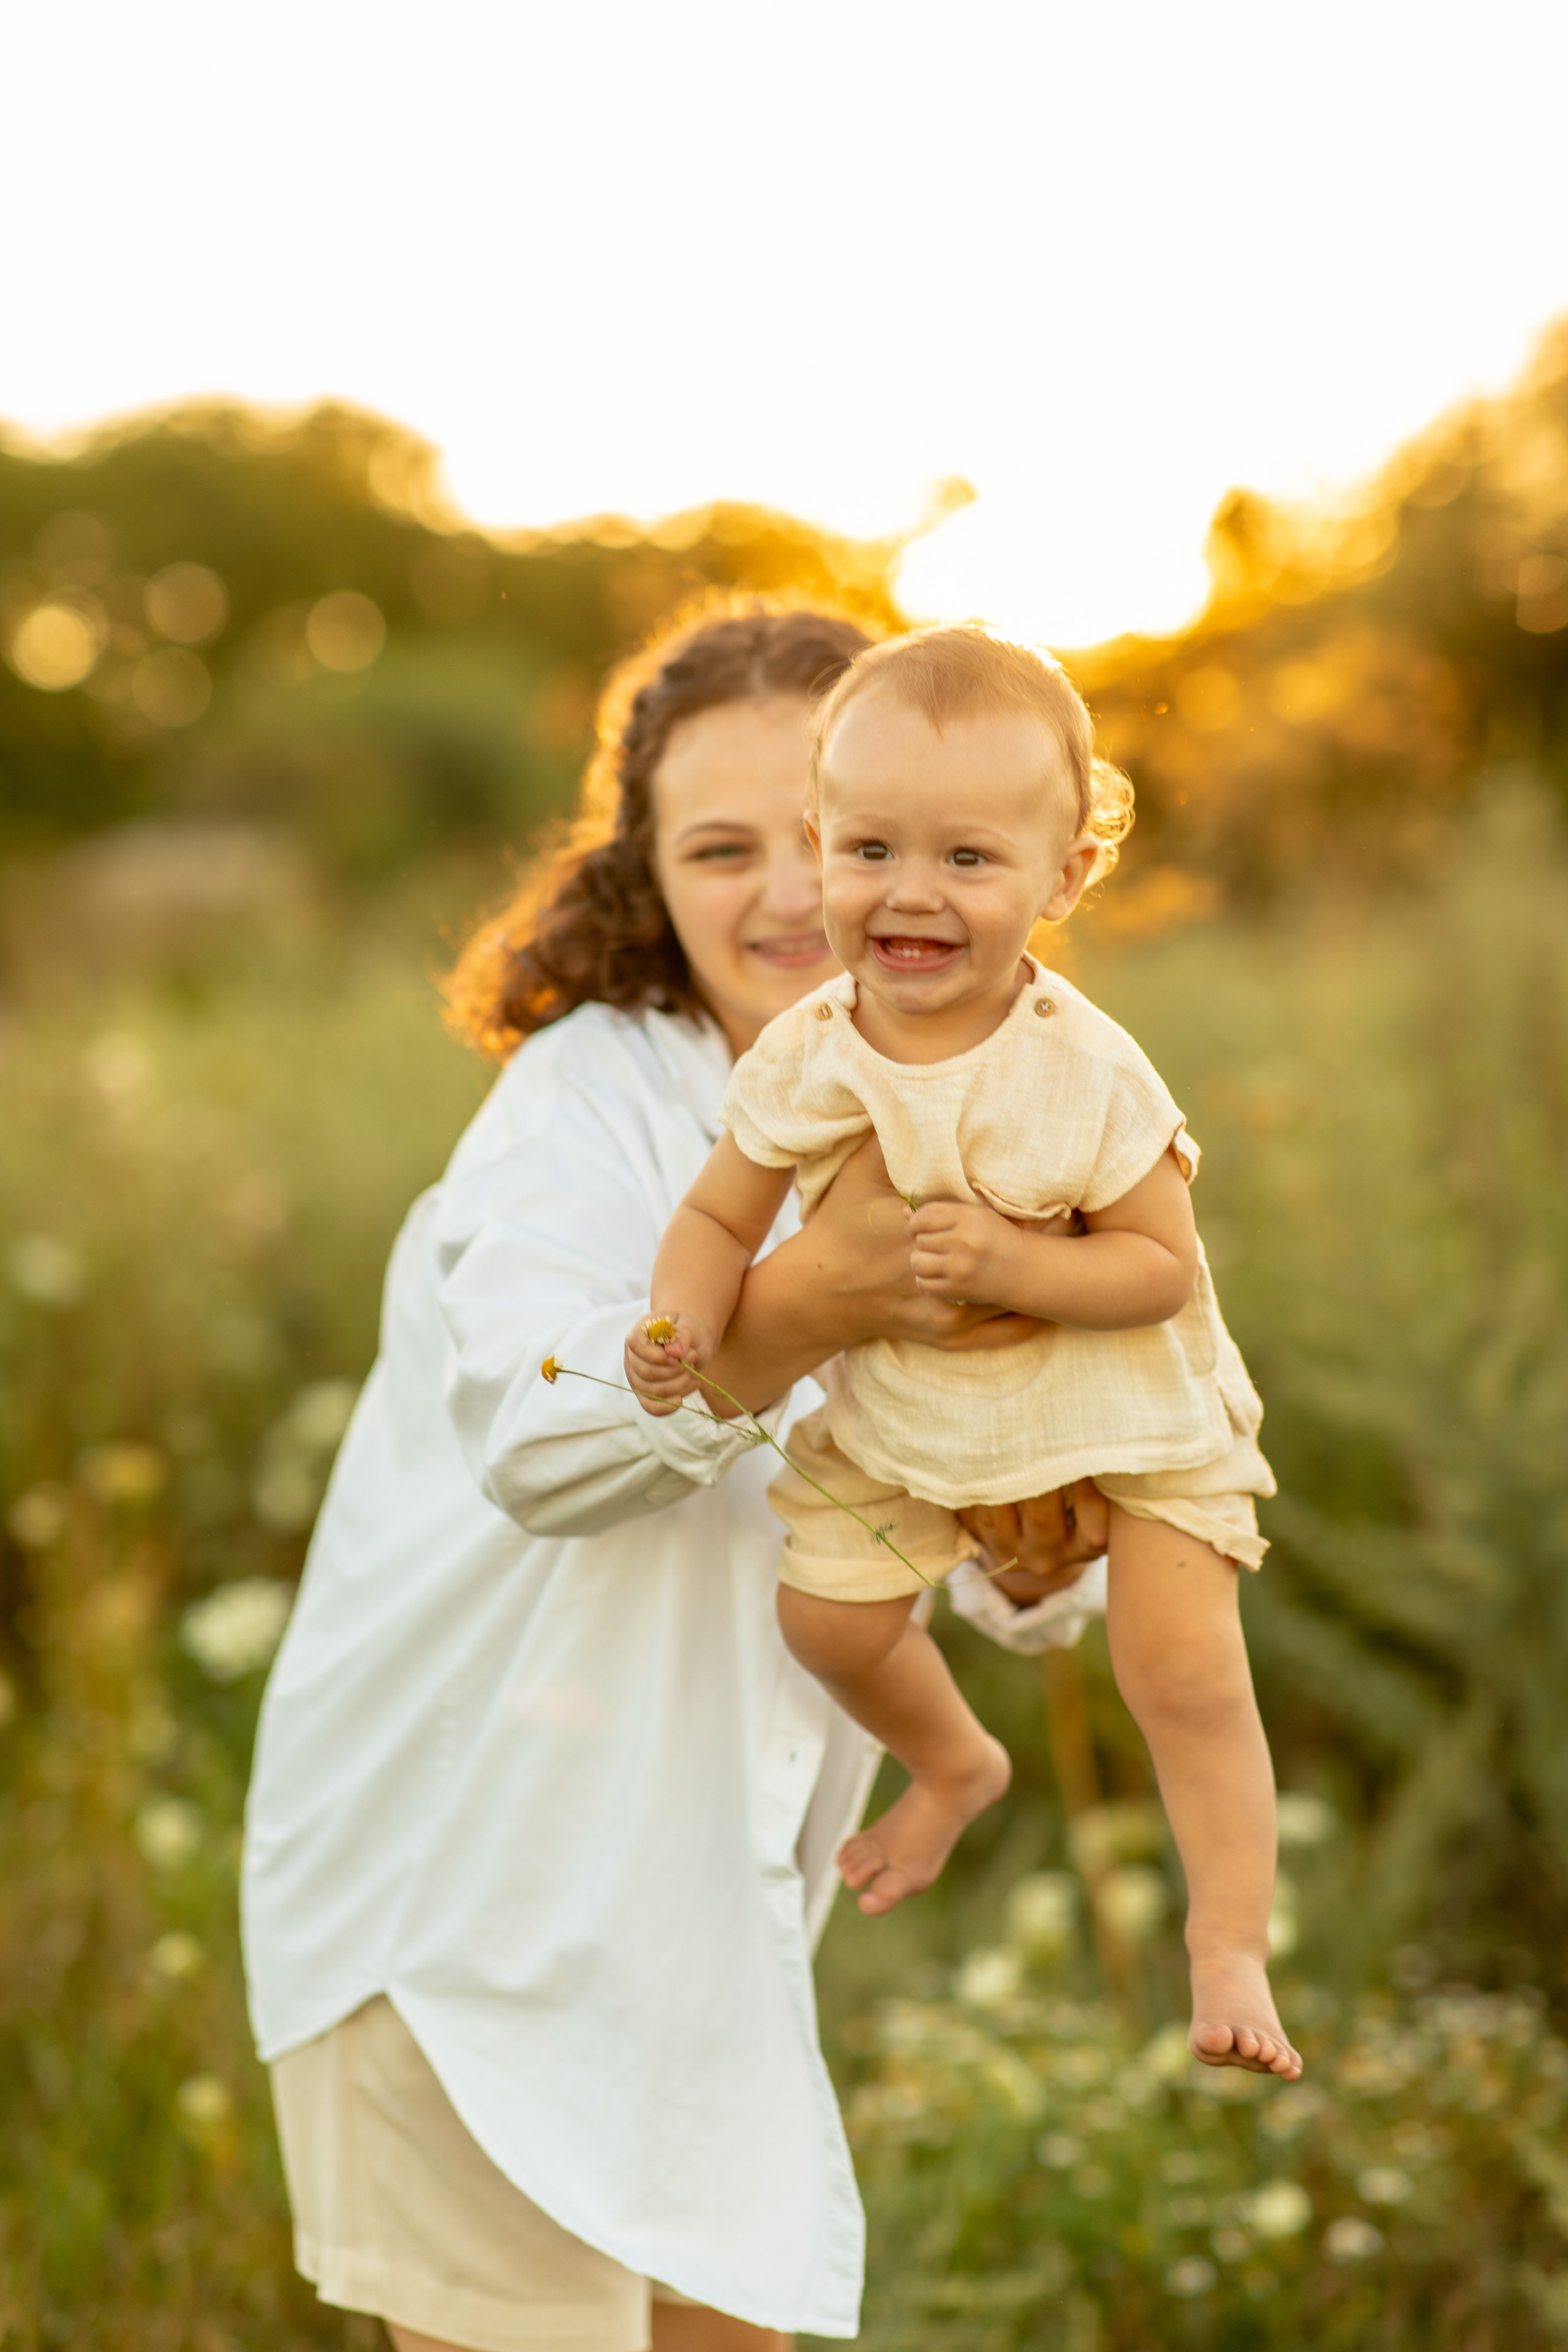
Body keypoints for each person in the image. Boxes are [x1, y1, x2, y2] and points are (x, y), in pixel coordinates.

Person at [241, 599, 1109, 2352]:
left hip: (703, 1926)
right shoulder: (584, 1105)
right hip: (470, 1903)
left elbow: (1025, 1575)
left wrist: (1042, 1536)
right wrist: (801, 1309)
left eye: (832, 836)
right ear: (644, 878)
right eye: (724, 848)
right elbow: (543, 1439)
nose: (797, 894)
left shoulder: (974, 1109)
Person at [626, 627, 1300, 2082]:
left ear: (1062, 880)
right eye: (869, 848)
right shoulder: (807, 1053)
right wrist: (679, 1322)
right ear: (822, 852)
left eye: (969, 861)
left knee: (1178, 1666)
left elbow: (1157, 1269)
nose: (910, 893)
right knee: (826, 1625)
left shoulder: (1085, 1066)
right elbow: (714, 1211)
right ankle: (953, 1762)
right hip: (914, 1423)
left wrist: (1013, 1265)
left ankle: (1226, 1940)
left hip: (1124, 1420)